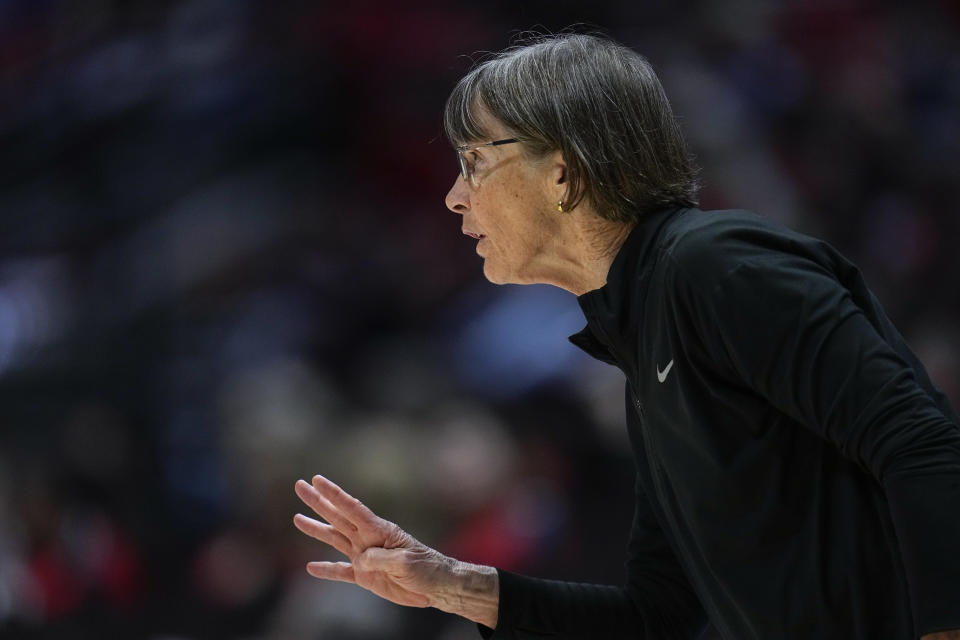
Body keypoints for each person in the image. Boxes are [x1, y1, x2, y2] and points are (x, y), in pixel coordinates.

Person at [293, 33, 960, 639]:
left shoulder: (718, 267)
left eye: (473, 159)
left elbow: (921, 444)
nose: (453, 196)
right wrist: (450, 583)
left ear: (561, 171)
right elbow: (656, 616)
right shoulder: (644, 332)